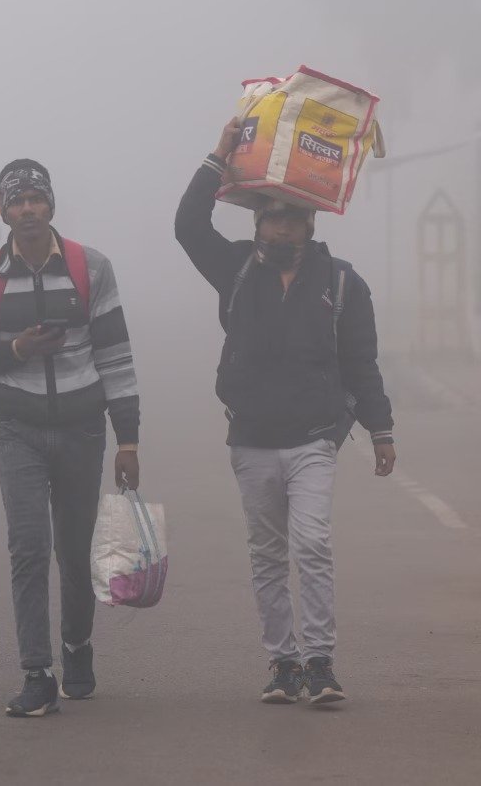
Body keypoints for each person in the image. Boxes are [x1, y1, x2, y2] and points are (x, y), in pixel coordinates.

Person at [175, 118, 397, 707]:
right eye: (271, 216)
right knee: (268, 554)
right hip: (250, 439)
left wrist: (381, 429)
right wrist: (218, 156)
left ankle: (320, 661)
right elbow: (188, 227)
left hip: (314, 439)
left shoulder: (343, 283)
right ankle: (283, 663)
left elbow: (361, 361)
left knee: (313, 543)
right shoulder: (238, 269)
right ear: (258, 223)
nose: (281, 225)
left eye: (291, 217)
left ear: (308, 223)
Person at [0, 159, 141, 718]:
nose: (28, 209)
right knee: (29, 548)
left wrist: (127, 440)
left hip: (83, 429)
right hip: (18, 430)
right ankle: (36, 673)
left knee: (75, 550)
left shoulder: (91, 267)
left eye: (37, 199)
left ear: (51, 206)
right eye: (18, 201)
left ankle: (77, 649)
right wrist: (15, 351)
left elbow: (116, 356)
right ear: (4, 213)